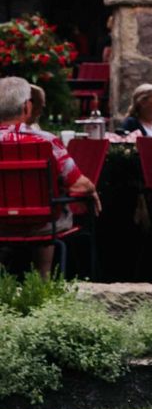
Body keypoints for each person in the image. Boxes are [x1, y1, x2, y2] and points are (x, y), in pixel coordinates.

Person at [0, 73, 97, 277]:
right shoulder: (46, 141)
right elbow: (79, 185)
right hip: (40, 225)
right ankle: (43, 279)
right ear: (27, 107)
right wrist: (91, 190)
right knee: (46, 208)